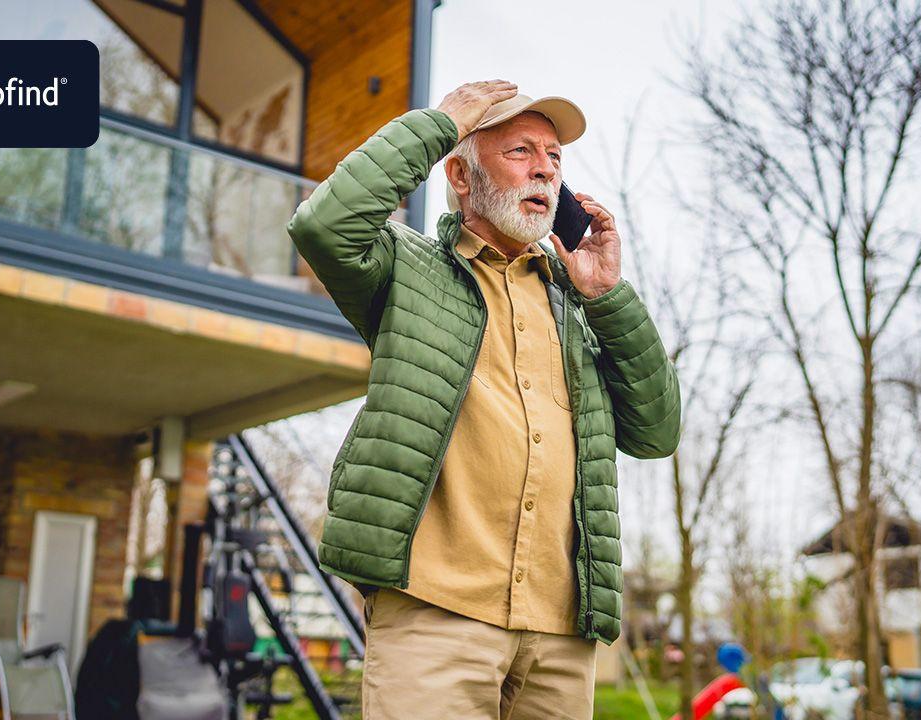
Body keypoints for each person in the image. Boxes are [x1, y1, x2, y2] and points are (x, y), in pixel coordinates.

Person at [286, 79, 681, 719]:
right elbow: (324, 225)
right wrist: (440, 123)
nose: (546, 171)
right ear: (463, 179)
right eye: (521, 151)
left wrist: (608, 295)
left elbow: (658, 431)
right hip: (434, 614)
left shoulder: (579, 307)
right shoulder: (405, 268)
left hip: (561, 631)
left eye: (555, 159)